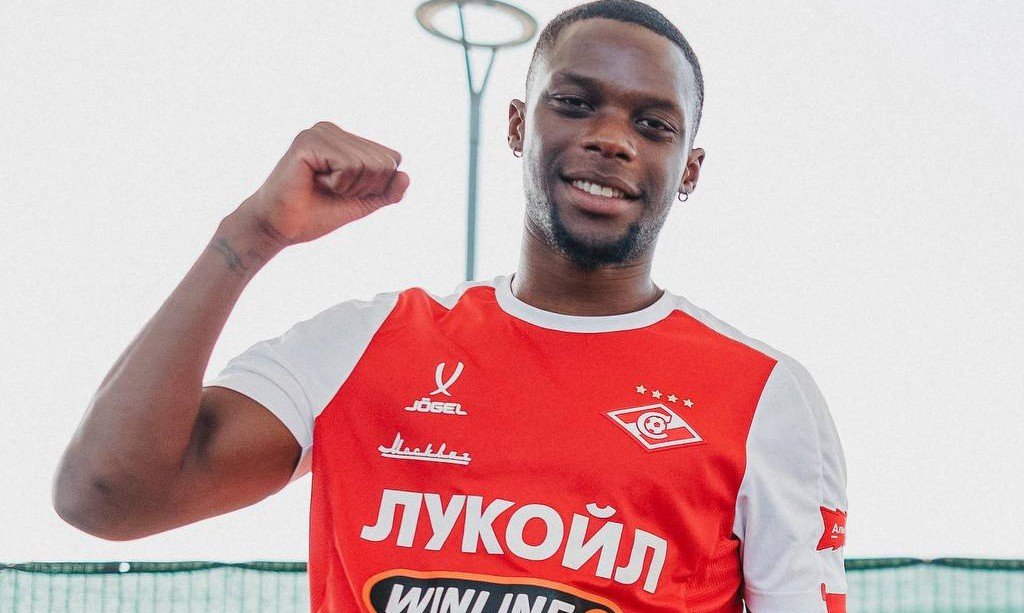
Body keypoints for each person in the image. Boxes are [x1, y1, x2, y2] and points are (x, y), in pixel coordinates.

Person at [53, 1, 848, 611]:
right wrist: (248, 237)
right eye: (575, 103)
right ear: (517, 125)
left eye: (653, 124)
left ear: (690, 169)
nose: (613, 138)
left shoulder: (763, 396)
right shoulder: (365, 344)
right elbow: (105, 495)